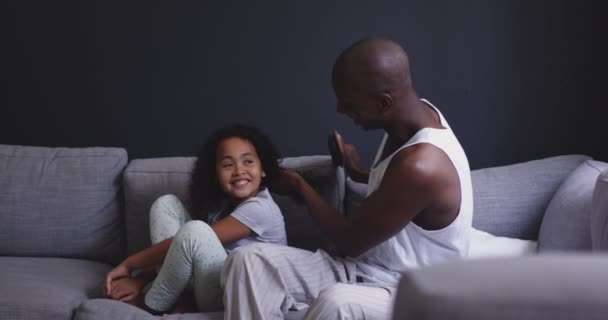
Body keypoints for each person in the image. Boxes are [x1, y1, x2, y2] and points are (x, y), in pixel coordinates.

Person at [221, 37, 473, 319]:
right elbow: (401, 194)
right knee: (247, 261)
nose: (340, 108)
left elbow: (350, 241)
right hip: (364, 271)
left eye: (349, 102)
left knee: (337, 303)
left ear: (384, 102)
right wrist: (359, 171)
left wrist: (300, 186)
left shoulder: (422, 166)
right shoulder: (411, 118)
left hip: (410, 291)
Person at [102, 124, 287, 314]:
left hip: (236, 296)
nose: (239, 170)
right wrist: (140, 279)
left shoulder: (261, 208)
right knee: (166, 204)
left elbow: (191, 238)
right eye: (227, 165)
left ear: (263, 169)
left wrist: (129, 264)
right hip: (207, 284)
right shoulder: (220, 206)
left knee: (196, 230)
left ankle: (152, 304)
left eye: (248, 161)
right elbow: (182, 250)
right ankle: (183, 298)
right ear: (215, 174)